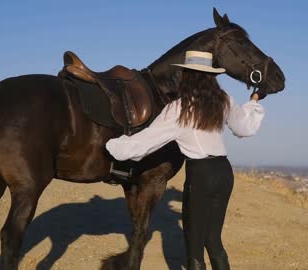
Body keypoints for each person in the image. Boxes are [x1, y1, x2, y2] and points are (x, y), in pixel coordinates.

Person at [105, 50, 265, 270]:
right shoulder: (223, 100)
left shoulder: (179, 109)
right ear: (210, 76)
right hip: (224, 173)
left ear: (187, 76)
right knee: (214, 240)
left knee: (194, 246)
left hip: (201, 174)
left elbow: (146, 141)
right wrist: (255, 99)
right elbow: (244, 127)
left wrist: (112, 146)